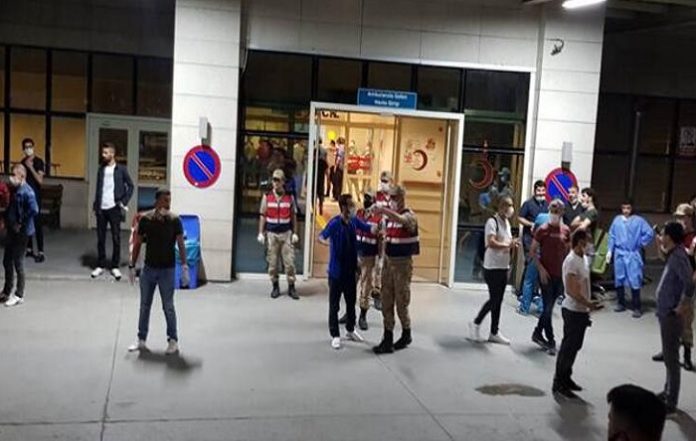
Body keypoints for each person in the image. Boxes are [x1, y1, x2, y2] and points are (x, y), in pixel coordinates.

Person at [127, 189, 189, 355]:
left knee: (168, 306)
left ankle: (173, 341)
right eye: (165, 201)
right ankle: (141, 339)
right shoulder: (146, 219)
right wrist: (132, 265)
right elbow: (138, 243)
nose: (168, 204)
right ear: (157, 201)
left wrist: (184, 266)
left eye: (169, 201)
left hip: (167, 270)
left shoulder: (175, 220)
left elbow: (181, 244)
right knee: (144, 306)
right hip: (149, 270)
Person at [318, 194, 375, 349]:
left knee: (351, 303)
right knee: (334, 305)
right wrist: (327, 243)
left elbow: (368, 228)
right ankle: (335, 335)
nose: (353, 208)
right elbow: (321, 236)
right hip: (336, 273)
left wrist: (376, 228)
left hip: (351, 271)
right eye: (351, 205)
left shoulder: (354, 221)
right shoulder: (335, 223)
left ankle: (350, 329)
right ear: (343, 207)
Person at [553, 229, 602, 399]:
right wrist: (588, 304)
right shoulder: (571, 261)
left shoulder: (584, 258)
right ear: (580, 242)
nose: (589, 245)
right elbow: (571, 290)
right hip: (573, 310)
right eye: (587, 242)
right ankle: (559, 382)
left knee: (575, 346)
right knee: (568, 347)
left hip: (581, 311)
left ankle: (567, 378)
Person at [653, 221, 694, 414]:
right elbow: (663, 252)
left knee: (671, 359)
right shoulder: (674, 253)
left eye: (663, 234)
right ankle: (668, 391)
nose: (661, 237)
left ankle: (671, 401)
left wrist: (682, 306)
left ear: (669, 237)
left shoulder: (678, 257)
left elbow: (690, 284)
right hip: (666, 311)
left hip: (671, 314)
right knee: (669, 357)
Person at [373, 185, 419, 354]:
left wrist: (384, 210)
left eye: (394, 197)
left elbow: (403, 221)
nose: (391, 200)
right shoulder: (389, 219)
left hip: (402, 266)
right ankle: (387, 338)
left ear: (401, 197)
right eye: (389, 197)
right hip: (388, 263)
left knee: (401, 302)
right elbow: (385, 238)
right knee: (386, 301)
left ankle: (406, 333)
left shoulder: (409, 216)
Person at [469, 195, 519, 345]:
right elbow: (490, 242)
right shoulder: (492, 222)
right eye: (507, 205)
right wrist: (507, 245)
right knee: (495, 299)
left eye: (511, 205)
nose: (510, 209)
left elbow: (507, 241)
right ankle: (476, 322)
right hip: (492, 267)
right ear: (500, 206)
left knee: (498, 300)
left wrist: (511, 249)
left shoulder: (507, 222)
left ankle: (494, 332)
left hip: (503, 266)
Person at [653, 204, 696, 370]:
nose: (679, 220)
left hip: (686, 284)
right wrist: (659, 243)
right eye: (677, 217)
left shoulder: (693, 238)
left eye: (682, 217)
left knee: (686, 322)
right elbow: (665, 257)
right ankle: (668, 350)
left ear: (690, 217)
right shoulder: (676, 234)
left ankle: (686, 355)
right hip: (673, 283)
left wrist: (690, 287)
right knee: (667, 321)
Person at [530, 199, 571, 355]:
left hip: (559, 275)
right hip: (546, 275)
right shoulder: (543, 230)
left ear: (562, 212)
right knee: (547, 309)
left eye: (557, 211)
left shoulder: (565, 231)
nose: (554, 214)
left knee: (549, 307)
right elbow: (532, 251)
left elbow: (568, 252)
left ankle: (537, 332)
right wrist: (540, 269)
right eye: (552, 211)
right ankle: (551, 340)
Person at [91, 142, 135, 280]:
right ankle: (100, 265)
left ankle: (115, 266)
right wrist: (96, 205)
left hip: (114, 208)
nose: (103, 155)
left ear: (112, 153)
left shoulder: (121, 169)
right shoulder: (101, 169)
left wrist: (123, 201)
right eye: (103, 152)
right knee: (101, 238)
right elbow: (99, 188)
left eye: (106, 152)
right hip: (101, 208)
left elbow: (131, 186)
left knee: (116, 238)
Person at [606, 200, 654, 318]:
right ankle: (621, 303)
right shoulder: (617, 220)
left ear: (632, 208)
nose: (626, 210)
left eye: (628, 208)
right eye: (624, 208)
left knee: (635, 279)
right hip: (619, 253)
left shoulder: (639, 221)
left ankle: (637, 306)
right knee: (619, 278)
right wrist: (610, 250)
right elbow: (612, 235)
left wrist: (640, 243)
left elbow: (649, 233)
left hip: (632, 254)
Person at [258, 169, 300, 300]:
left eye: (278, 180)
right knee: (272, 263)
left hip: (286, 234)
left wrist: (295, 233)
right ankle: (275, 286)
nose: (275, 182)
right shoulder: (267, 196)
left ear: (283, 182)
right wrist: (260, 232)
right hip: (272, 234)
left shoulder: (289, 197)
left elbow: (293, 216)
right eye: (274, 180)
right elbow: (263, 215)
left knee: (289, 263)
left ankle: (291, 287)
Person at [1, 165, 39, 307]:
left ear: (22, 176)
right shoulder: (15, 189)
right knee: (7, 261)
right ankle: (6, 291)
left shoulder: (27, 192)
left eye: (14, 175)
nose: (11, 178)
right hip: (12, 230)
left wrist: (21, 222)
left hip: (22, 232)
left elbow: (34, 210)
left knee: (18, 262)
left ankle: (19, 294)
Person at [355, 192, 381, 331]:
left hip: (369, 256)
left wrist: (380, 258)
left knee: (366, 287)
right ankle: (349, 312)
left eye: (368, 198)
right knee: (350, 285)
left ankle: (363, 315)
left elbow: (381, 240)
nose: (365, 200)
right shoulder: (358, 213)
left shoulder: (378, 218)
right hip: (355, 254)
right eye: (364, 197)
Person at [518, 180, 548, 298]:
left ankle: (534, 293)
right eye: (538, 190)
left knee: (539, 265)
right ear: (534, 191)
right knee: (530, 263)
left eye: (543, 190)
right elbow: (520, 218)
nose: (541, 193)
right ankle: (522, 293)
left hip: (542, 240)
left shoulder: (547, 205)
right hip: (529, 239)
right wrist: (531, 224)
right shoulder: (528, 204)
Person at [518, 211, 550, 315]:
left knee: (529, 281)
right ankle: (541, 310)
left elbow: (534, 232)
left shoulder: (541, 217)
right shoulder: (559, 222)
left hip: (537, 254)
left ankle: (524, 308)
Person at [20, 138, 46, 263]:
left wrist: (30, 167)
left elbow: (40, 181)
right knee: (27, 223)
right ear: (23, 149)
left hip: (35, 197)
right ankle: (29, 249)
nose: (28, 149)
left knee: (37, 224)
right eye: (26, 147)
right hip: (25, 197)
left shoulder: (38, 162)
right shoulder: (22, 162)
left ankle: (41, 251)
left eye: (30, 146)